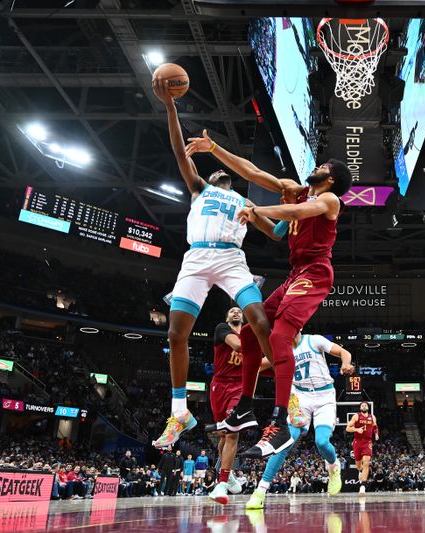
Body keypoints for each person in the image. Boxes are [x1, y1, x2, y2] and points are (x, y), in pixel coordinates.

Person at [191, 130, 353, 459]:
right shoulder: (294, 190)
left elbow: (294, 215)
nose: (317, 166)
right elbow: (252, 173)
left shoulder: (329, 201)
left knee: (280, 337)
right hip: (295, 274)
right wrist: (213, 148)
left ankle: (280, 423)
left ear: (331, 178)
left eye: (323, 165)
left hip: (316, 273)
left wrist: (257, 208)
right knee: (251, 333)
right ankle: (246, 407)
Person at [150, 76, 275, 449]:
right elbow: (178, 150)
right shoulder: (199, 188)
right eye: (215, 171)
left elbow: (278, 233)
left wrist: (294, 211)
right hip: (197, 257)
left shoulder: (244, 204)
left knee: (261, 320)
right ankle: (179, 412)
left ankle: (289, 397)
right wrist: (170, 105)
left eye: (225, 174)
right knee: (175, 335)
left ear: (233, 183)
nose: (220, 173)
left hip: (232, 259)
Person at [245, 331, 355, 510]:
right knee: (284, 442)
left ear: (299, 325)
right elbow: (257, 365)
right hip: (299, 398)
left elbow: (345, 352)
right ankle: (260, 491)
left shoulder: (314, 340)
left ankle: (334, 467)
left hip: (324, 395)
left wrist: (346, 363)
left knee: (321, 442)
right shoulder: (281, 349)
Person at [208, 307, 247, 504]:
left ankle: (221, 483)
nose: (236, 312)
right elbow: (238, 346)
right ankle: (227, 471)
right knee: (223, 434)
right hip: (219, 385)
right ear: (227, 317)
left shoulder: (249, 333)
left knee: (232, 432)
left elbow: (260, 363)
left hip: (239, 387)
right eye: (232, 311)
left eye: (239, 311)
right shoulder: (222, 329)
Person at [346, 401, 379, 494]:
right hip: (357, 442)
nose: (364, 406)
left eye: (365, 405)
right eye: (362, 405)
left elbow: (375, 427)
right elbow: (347, 428)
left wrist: (376, 434)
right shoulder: (356, 416)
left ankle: (363, 486)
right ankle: (360, 471)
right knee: (358, 466)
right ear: (360, 408)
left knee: (366, 462)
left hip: (367, 442)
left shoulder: (372, 417)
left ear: (368, 407)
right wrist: (356, 429)